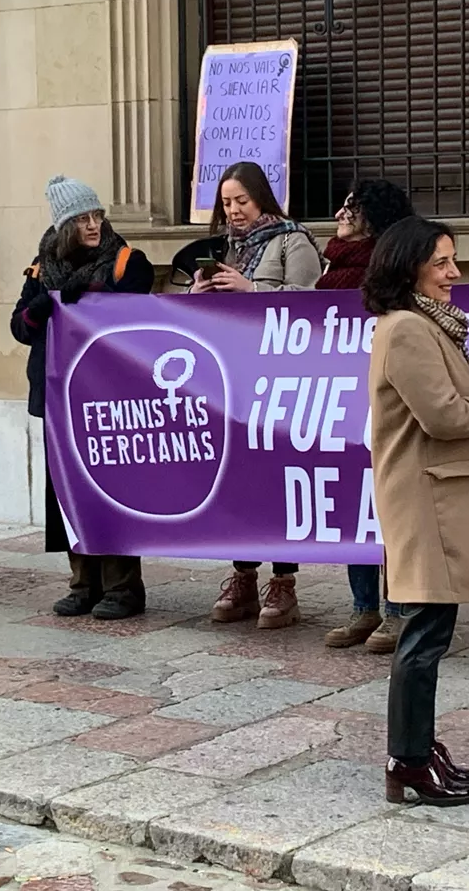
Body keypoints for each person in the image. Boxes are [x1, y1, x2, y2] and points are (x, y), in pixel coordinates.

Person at [363, 216, 469, 807]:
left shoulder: (430, 327)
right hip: (425, 501)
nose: (455, 273)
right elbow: (446, 416)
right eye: (441, 263)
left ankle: (418, 748)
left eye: (453, 260)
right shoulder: (407, 330)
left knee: (431, 632)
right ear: (410, 269)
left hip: (438, 496)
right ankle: (406, 760)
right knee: (422, 637)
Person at [11, 175, 154, 620]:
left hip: (108, 395)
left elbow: (139, 307)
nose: (93, 225)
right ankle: (82, 583)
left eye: (97, 216)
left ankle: (123, 588)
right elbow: (19, 328)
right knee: (67, 491)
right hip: (57, 396)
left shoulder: (127, 260)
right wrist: (41, 308)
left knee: (111, 488)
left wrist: (94, 295)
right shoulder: (41, 267)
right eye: (82, 219)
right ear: (63, 226)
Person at [192, 161, 324, 629]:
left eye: (241, 201)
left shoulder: (294, 240)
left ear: (261, 198)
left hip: (282, 381)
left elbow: (311, 305)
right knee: (239, 479)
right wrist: (201, 291)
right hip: (235, 380)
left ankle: (283, 582)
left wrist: (250, 290)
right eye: (226, 203)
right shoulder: (229, 247)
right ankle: (242, 574)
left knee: (277, 479)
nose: (233, 211)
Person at [318, 179, 415, 654]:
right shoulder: (332, 263)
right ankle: (364, 607)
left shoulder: (393, 270)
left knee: (389, 506)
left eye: (350, 207)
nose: (340, 213)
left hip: (383, 395)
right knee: (352, 505)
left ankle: (397, 611)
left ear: (372, 217)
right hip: (337, 398)